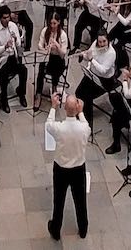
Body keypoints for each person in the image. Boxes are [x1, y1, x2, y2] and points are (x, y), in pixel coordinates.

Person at [45, 93, 93, 239]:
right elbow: (85, 123)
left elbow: (48, 125)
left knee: (58, 201)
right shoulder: (84, 128)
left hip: (61, 169)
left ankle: (56, 229)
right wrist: (81, 112)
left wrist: (53, 107)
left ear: (64, 108)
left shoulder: (59, 128)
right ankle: (83, 228)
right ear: (77, 108)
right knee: (80, 201)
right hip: (78, 169)